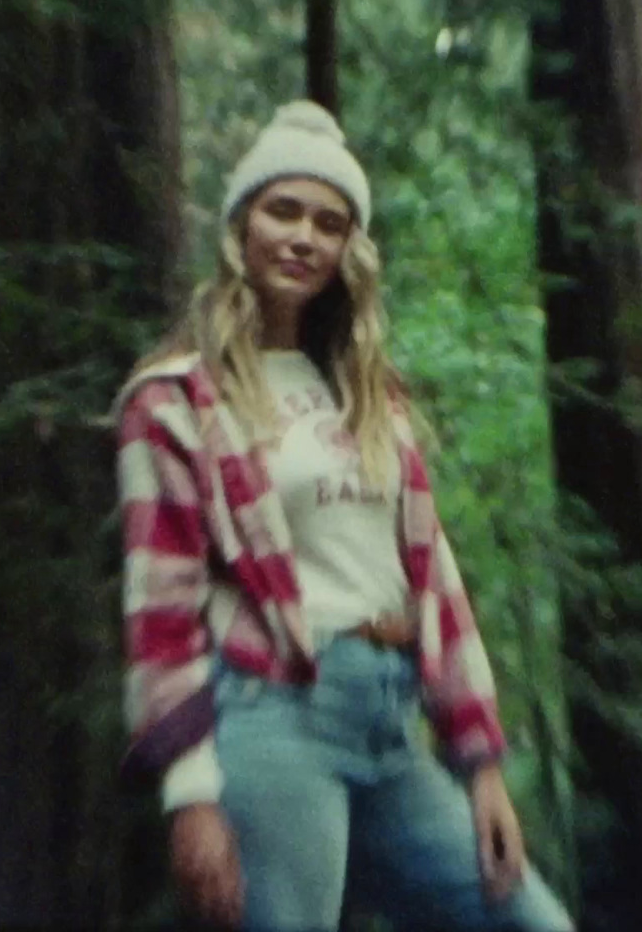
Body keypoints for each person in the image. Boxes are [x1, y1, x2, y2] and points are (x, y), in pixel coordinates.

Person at [112, 101, 574, 932]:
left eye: (328, 222)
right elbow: (160, 612)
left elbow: (435, 579)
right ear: (239, 225)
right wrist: (190, 797)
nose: (302, 237)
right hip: (274, 717)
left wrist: (481, 766)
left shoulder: (370, 394)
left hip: (393, 727)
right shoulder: (176, 397)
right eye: (281, 210)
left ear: (347, 250)